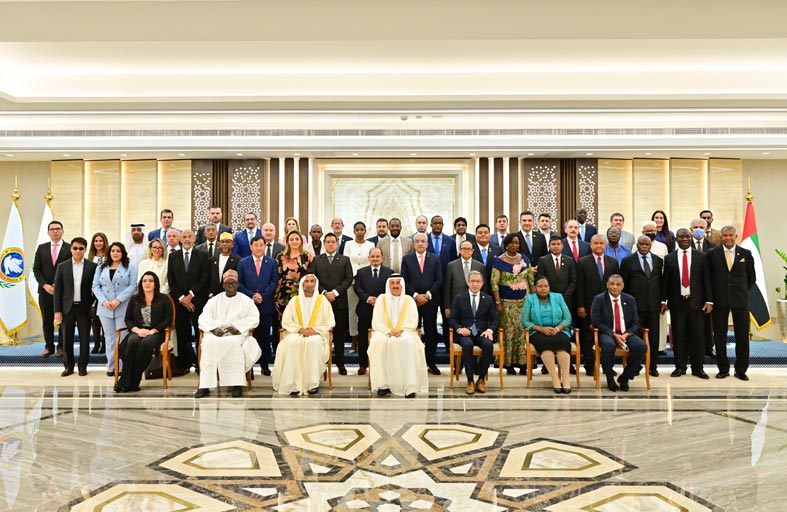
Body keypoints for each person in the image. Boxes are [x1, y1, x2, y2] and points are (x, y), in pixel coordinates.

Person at [195, 269, 262, 398]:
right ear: (223, 285)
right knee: (207, 344)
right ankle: (205, 386)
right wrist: (214, 328)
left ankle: (236, 384)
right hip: (215, 334)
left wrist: (238, 327)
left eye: (233, 283)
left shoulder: (246, 300)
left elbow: (254, 318)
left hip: (236, 335)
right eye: (227, 283)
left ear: (238, 284)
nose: (231, 286)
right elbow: (203, 318)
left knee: (234, 344)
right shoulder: (214, 301)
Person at [661, 228, 713, 379]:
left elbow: (707, 280)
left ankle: (698, 368)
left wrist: (709, 300)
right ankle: (680, 367)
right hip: (677, 304)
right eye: (681, 237)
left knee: (698, 337)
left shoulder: (701, 257)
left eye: (687, 237)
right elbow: (665, 282)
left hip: (697, 303)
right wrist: (663, 301)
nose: (684, 239)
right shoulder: (669, 258)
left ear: (691, 238)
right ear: (676, 239)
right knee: (679, 337)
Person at [707, 225, 756, 380]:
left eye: (730, 235)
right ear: (721, 237)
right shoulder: (712, 254)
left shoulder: (746, 254)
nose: (728, 238)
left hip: (740, 300)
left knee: (742, 335)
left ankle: (741, 370)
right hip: (719, 300)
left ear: (736, 236)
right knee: (719, 336)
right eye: (725, 235)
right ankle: (723, 369)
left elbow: (751, 278)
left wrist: (740, 291)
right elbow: (708, 278)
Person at [273, 274, 335, 395]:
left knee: (313, 342)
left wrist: (314, 330)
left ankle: (312, 383)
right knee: (292, 343)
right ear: (302, 284)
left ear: (316, 284)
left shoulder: (323, 301)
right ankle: (292, 383)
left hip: (317, 334)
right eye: (307, 281)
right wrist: (300, 330)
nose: (309, 284)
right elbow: (286, 321)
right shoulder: (294, 301)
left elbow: (330, 322)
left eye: (312, 281)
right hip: (297, 333)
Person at [369, 274, 429, 398]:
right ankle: (383, 385)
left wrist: (401, 331)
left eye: (398, 283)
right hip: (384, 332)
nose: (395, 286)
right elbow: (377, 321)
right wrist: (388, 332)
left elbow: (413, 322)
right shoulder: (381, 299)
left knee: (408, 342)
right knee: (377, 342)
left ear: (402, 285)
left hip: (406, 332)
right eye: (393, 283)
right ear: (388, 285)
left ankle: (409, 386)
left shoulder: (409, 300)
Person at [114, 271, 172, 393]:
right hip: (138, 331)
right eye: (144, 281)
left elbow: (168, 319)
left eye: (151, 281)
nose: (147, 283)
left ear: (156, 283)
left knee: (146, 343)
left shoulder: (164, 299)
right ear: (141, 284)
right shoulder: (135, 298)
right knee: (132, 341)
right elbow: (128, 319)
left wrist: (154, 330)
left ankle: (130, 381)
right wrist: (136, 329)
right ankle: (127, 380)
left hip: (156, 333)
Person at [591, 274, 648, 392]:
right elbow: (596, 322)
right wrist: (613, 334)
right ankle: (610, 378)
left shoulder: (630, 299)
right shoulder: (599, 299)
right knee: (608, 345)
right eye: (612, 284)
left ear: (622, 286)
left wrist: (626, 334)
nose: (615, 287)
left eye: (618, 284)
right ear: (607, 285)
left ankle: (625, 377)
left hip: (626, 333)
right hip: (607, 333)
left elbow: (635, 323)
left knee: (641, 346)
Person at [620, 235, 664, 377]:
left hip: (653, 306)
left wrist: (662, 301)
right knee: (635, 337)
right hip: (634, 306)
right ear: (637, 245)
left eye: (647, 244)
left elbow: (661, 283)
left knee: (653, 338)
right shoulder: (627, 261)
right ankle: (635, 366)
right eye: (641, 244)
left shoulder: (658, 260)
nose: (644, 246)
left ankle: (652, 366)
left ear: (651, 245)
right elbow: (624, 284)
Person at [92, 242, 138, 376]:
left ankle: (122, 365)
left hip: (123, 306)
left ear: (123, 253)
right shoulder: (101, 268)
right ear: (109, 253)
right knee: (109, 337)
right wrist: (104, 301)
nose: (115, 253)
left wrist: (118, 300)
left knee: (122, 337)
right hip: (105, 307)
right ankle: (111, 365)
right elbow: (95, 286)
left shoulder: (130, 266)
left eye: (118, 251)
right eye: (113, 251)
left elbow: (133, 285)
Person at [53, 237, 97, 377]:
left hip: (84, 308)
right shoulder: (62, 266)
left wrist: (91, 305)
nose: (78, 251)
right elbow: (57, 291)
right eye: (75, 248)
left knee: (85, 339)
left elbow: (96, 288)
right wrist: (57, 311)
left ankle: (82, 366)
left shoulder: (92, 267)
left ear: (85, 250)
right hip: (67, 308)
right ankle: (68, 366)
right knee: (67, 339)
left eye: (81, 248)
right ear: (71, 249)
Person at [168, 229, 210, 374]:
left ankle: (200, 362)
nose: (186, 239)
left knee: (199, 333)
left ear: (194, 239)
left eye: (189, 237)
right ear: (180, 239)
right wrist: (182, 298)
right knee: (182, 333)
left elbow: (204, 278)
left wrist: (191, 295)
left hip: (197, 301)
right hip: (179, 303)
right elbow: (171, 280)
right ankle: (185, 363)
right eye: (184, 237)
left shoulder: (203, 255)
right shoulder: (173, 256)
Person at [521, 276, 573, 393]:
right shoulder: (530, 299)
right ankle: (555, 379)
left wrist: (557, 328)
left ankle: (566, 379)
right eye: (540, 286)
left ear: (549, 287)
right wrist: (541, 329)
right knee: (545, 344)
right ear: (535, 288)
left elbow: (568, 318)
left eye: (546, 286)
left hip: (558, 330)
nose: (543, 288)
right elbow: (525, 321)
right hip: (538, 332)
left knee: (563, 343)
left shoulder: (558, 297)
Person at [576, 235, 620, 375]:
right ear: (591, 245)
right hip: (589, 305)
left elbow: (617, 284)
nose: (599, 246)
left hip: (608, 306)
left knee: (608, 337)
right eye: (596, 243)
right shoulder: (583, 262)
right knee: (589, 337)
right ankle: (590, 367)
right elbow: (580, 285)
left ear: (605, 245)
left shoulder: (613, 262)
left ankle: (608, 367)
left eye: (601, 243)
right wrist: (580, 305)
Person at [450, 271, 499, 394]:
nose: (475, 284)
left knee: (488, 345)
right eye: (472, 281)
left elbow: (495, 320)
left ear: (482, 283)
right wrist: (459, 329)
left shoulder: (488, 299)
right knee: (467, 345)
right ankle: (470, 380)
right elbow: (452, 319)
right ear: (468, 282)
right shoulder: (459, 298)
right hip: (464, 333)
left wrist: (489, 330)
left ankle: (481, 379)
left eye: (478, 281)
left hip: (481, 333)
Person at [401, 233, 443, 375]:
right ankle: (413, 363)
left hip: (430, 301)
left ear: (427, 244)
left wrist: (428, 295)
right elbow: (404, 280)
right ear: (414, 244)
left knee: (431, 333)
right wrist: (416, 296)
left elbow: (439, 280)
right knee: (413, 332)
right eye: (417, 241)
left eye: (422, 241)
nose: (420, 243)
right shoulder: (407, 259)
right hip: (413, 302)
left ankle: (431, 362)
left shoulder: (435, 259)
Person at [312, 232, 354, 375]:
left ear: (337, 244)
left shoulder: (344, 259)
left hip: (339, 301)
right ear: (324, 244)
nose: (330, 244)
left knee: (339, 335)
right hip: (321, 303)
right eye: (328, 242)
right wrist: (324, 293)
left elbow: (348, 279)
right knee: (321, 334)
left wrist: (335, 293)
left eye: (333, 242)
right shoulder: (317, 260)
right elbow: (312, 279)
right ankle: (321, 365)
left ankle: (340, 364)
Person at [237, 235, 279, 376]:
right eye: (256, 245)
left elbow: (274, 281)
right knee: (249, 337)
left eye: (261, 245)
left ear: (265, 246)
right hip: (248, 306)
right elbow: (240, 283)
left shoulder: (271, 262)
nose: (259, 248)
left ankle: (264, 365)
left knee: (265, 337)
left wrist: (263, 295)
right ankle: (249, 367)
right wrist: (252, 296)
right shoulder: (243, 262)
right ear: (251, 247)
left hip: (265, 304)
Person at [491, 233, 532, 375]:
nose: (515, 245)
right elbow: (494, 284)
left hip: (524, 303)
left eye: (517, 243)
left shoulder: (525, 259)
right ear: (506, 244)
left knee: (522, 332)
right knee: (509, 333)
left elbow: (531, 280)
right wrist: (497, 302)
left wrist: (533, 301)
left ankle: (523, 363)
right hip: (506, 304)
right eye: (512, 243)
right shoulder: (499, 261)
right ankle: (507, 363)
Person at [33, 220, 71, 357]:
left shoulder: (70, 248)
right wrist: (45, 285)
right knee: (47, 319)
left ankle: (61, 347)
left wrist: (59, 285)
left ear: (62, 231)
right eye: (52, 229)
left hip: (64, 292)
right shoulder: (41, 248)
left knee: (63, 320)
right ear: (48, 232)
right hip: (45, 290)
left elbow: (71, 269)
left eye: (58, 229)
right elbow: (36, 269)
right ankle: (49, 347)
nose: (55, 231)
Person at [353, 248, 394, 376]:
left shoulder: (389, 272)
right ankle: (363, 364)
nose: (375, 259)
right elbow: (357, 288)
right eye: (373, 256)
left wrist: (379, 300)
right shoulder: (361, 272)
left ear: (382, 258)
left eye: (377, 256)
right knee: (363, 338)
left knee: (382, 338)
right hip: (365, 309)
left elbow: (391, 289)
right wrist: (367, 298)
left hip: (383, 311)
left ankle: (383, 364)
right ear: (369, 258)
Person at [274, 230, 313, 352]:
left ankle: (299, 350)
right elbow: (277, 277)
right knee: (284, 322)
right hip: (283, 294)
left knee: (300, 321)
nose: (294, 241)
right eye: (291, 239)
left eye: (297, 239)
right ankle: (282, 350)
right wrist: (275, 296)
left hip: (302, 293)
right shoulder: (280, 257)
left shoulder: (307, 256)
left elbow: (311, 277)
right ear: (287, 241)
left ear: (301, 241)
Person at [343, 221, 375, 354]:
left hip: (367, 281)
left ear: (365, 231)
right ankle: (354, 339)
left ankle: (368, 338)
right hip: (352, 281)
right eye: (357, 230)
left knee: (368, 310)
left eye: (362, 229)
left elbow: (372, 261)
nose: (360, 232)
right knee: (352, 311)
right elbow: (346, 262)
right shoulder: (348, 244)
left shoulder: (371, 244)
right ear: (354, 231)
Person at [444, 240, 488, 315]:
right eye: (464, 248)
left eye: (469, 249)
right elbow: (447, 288)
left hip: (475, 303)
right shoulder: (451, 265)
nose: (466, 251)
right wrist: (447, 307)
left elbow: (484, 287)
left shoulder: (480, 266)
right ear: (460, 250)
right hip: (456, 303)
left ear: (472, 251)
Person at [88, 232, 109, 354]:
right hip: (93, 291)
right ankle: (96, 344)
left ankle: (104, 345)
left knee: (105, 319)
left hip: (106, 291)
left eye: (100, 241)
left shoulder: (109, 256)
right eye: (96, 241)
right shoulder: (90, 257)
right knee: (95, 319)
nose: (98, 243)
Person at [210, 232, 241, 297]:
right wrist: (210, 293)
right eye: (222, 242)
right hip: (214, 296)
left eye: (227, 242)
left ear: (232, 244)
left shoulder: (238, 260)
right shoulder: (212, 260)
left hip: (231, 295)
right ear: (219, 244)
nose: (224, 244)